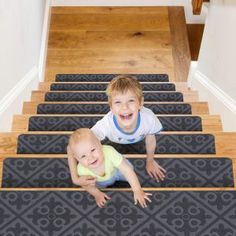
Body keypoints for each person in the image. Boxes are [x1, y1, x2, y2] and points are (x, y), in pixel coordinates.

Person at [67, 128, 152, 208]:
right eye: (83, 156)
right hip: (99, 182)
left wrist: (137, 190)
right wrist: (97, 194)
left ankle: (126, 173)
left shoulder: (109, 152)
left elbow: (127, 171)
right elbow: (86, 186)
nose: (91, 158)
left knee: (129, 170)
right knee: (87, 183)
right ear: (77, 158)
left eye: (93, 150)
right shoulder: (81, 171)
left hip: (117, 171)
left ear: (100, 144)